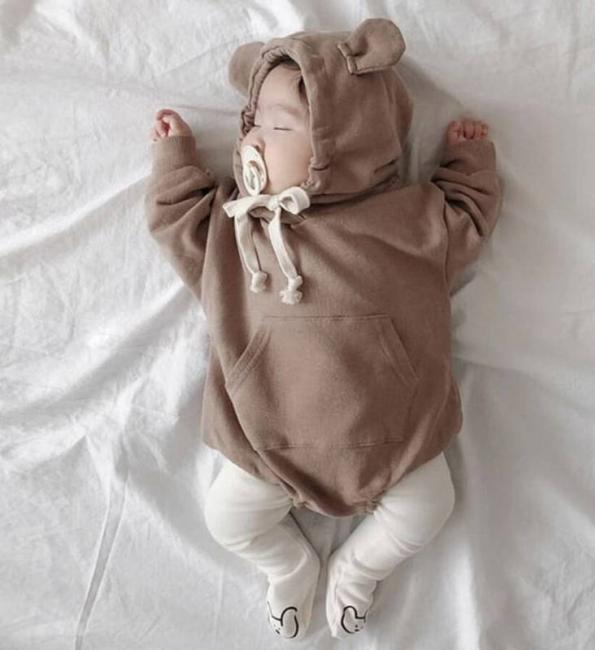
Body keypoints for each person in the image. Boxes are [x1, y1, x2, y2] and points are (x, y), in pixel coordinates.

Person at [146, 17, 502, 640]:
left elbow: (465, 217)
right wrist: (176, 162)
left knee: (429, 508)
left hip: (395, 441)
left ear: (349, 141)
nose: (254, 140)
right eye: (252, 123)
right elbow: (179, 223)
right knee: (228, 521)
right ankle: (288, 566)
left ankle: (359, 570)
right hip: (268, 440)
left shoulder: (407, 221)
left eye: (279, 127)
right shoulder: (237, 227)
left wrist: (468, 162)